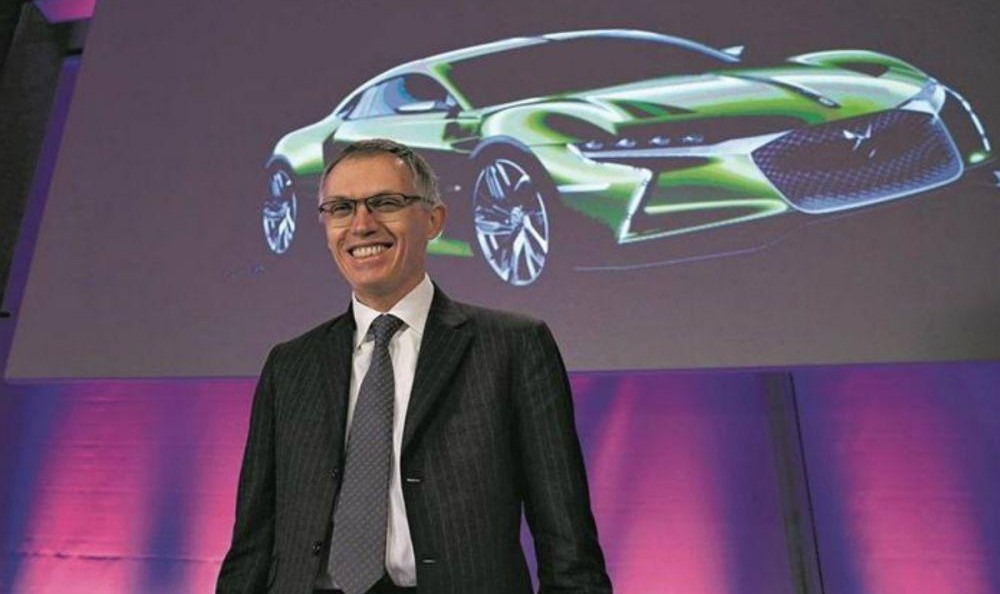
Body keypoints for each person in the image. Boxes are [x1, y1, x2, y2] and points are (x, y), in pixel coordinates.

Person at [217, 139, 612, 594]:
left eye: (385, 203)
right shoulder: (289, 366)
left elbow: (568, 547)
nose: (361, 225)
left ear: (434, 219)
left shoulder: (513, 347)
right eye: (341, 208)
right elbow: (251, 546)